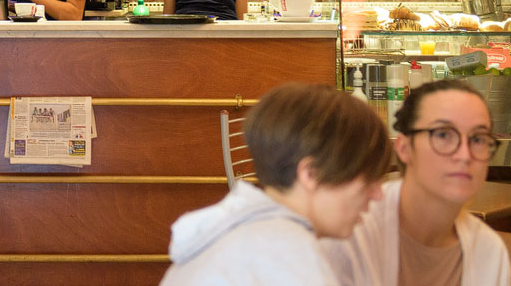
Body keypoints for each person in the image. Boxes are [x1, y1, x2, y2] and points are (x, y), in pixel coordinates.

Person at [160, 83, 391, 285]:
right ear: (310, 174)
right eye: (367, 179)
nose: (378, 194)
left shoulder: (240, 233)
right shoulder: (286, 252)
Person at [321, 79, 511, 286]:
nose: (465, 155)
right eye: (443, 134)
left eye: (478, 139)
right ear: (404, 148)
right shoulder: (347, 232)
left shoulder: (490, 253)